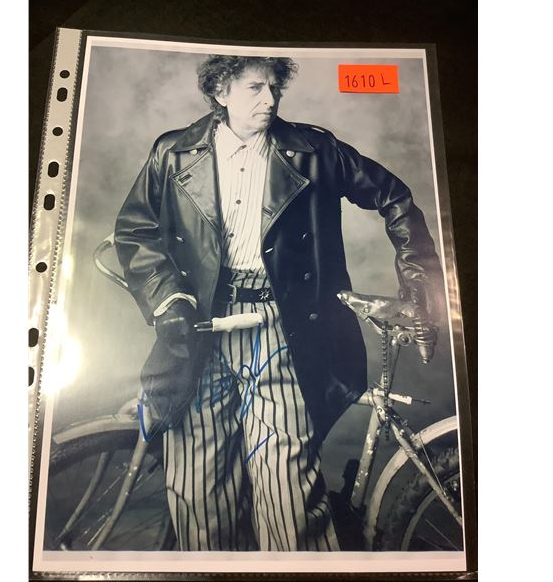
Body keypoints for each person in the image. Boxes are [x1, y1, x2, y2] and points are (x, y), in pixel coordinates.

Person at [114, 55, 443, 551]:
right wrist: (168, 301)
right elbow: (135, 230)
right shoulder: (174, 152)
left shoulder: (314, 151)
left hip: (281, 329)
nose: (269, 100)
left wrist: (419, 285)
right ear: (221, 91)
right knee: (198, 498)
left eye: (274, 88)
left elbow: (393, 197)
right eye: (255, 88)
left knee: (288, 496)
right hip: (198, 332)